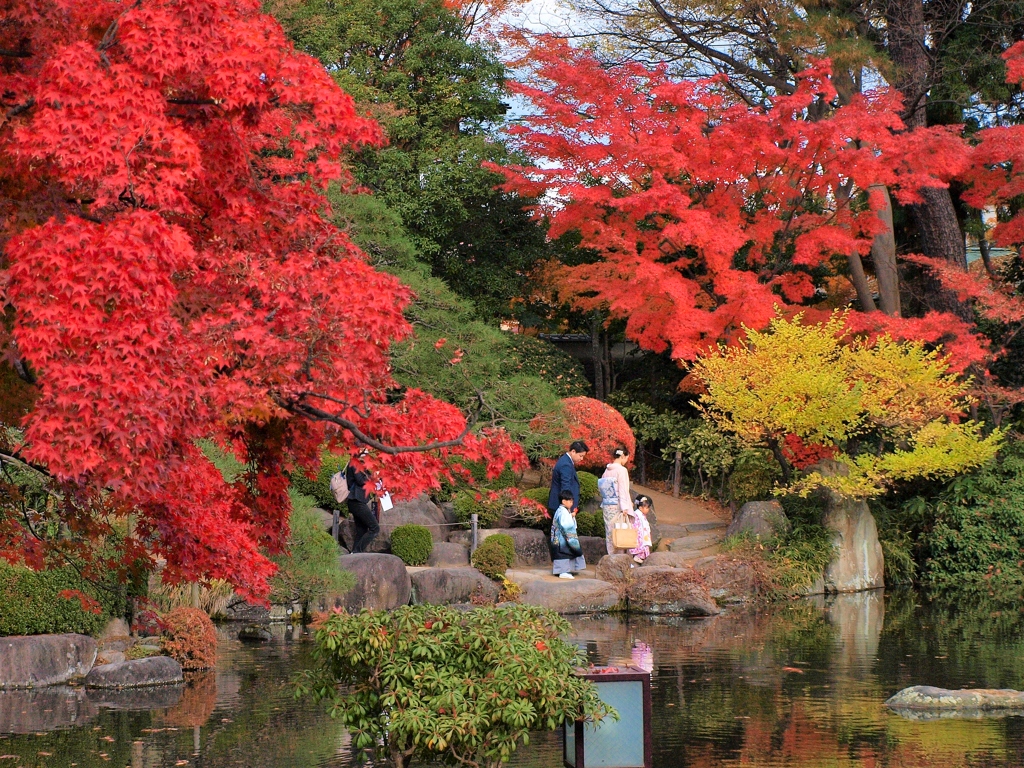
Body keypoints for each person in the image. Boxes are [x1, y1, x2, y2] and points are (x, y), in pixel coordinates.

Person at [599, 446, 633, 556]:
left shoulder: (606, 470)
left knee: (610, 532)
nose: (626, 461)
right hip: (618, 505)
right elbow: (623, 489)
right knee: (620, 531)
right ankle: (620, 558)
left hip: (607, 505)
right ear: (623, 456)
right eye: (626, 458)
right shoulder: (622, 470)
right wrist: (625, 506)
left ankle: (611, 556)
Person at [346, 457, 380, 554]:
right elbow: (361, 481)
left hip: (358, 501)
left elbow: (368, 478)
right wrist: (372, 477)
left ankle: (354, 553)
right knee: (374, 527)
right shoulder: (353, 464)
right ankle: (357, 551)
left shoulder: (362, 465)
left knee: (361, 530)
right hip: (356, 501)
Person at [548, 440, 589, 515]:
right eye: (581, 456)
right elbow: (565, 486)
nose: (581, 459)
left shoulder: (565, 461)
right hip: (563, 506)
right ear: (573, 451)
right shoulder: (566, 465)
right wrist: (568, 507)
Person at [551, 489, 585, 579]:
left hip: (560, 538)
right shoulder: (562, 512)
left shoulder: (563, 510)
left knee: (566, 553)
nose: (571, 503)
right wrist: (570, 516)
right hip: (561, 538)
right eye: (570, 501)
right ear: (563, 501)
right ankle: (563, 571)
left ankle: (565, 570)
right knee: (564, 553)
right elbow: (566, 524)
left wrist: (571, 515)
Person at [630, 495, 654, 564]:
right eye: (646, 508)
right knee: (641, 545)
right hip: (640, 534)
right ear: (640, 508)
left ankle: (641, 557)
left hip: (643, 533)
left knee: (644, 545)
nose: (648, 509)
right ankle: (638, 556)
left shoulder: (641, 514)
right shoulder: (637, 514)